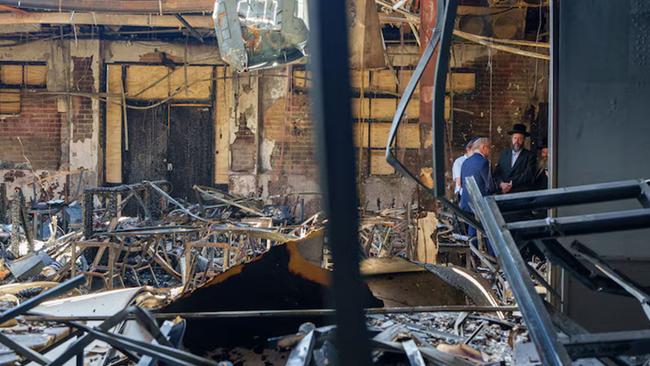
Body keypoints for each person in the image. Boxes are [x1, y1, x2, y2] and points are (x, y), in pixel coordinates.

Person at [460, 137, 495, 255]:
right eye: (488, 148)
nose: (489, 151)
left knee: (472, 230)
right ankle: (494, 258)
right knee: (490, 231)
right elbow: (490, 186)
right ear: (483, 147)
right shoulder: (484, 162)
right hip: (479, 205)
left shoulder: (465, 162)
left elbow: (461, 183)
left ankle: (473, 256)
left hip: (466, 203)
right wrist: (501, 187)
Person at [494, 123, 537, 194]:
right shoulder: (504, 153)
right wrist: (501, 184)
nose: (517, 141)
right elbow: (497, 172)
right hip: (502, 193)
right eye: (515, 138)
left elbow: (528, 174)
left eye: (520, 138)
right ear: (511, 139)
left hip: (519, 193)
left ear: (524, 140)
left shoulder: (530, 156)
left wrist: (511, 183)